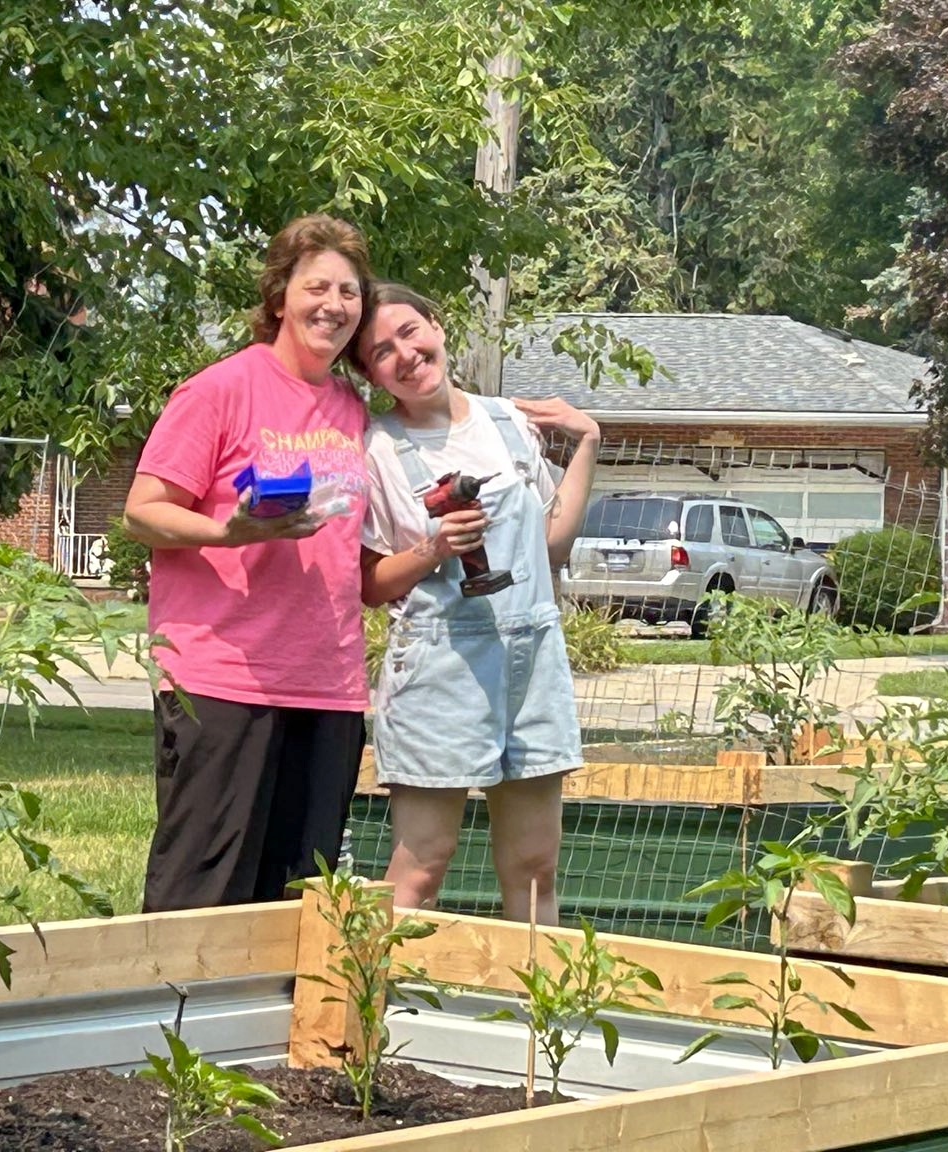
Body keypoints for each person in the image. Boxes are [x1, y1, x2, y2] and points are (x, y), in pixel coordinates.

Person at [123, 215, 373, 911]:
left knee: (297, 904)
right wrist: (226, 532)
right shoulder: (221, 389)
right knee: (200, 899)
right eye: (316, 286)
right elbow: (142, 511)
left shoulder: (352, 408)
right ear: (279, 296)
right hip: (224, 680)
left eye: (349, 291)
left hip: (328, 685)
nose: (334, 304)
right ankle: (172, 991)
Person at [354, 283, 601, 925]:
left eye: (410, 332)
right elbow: (370, 584)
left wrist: (588, 443)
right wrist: (434, 547)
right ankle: (376, 989)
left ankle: (537, 994)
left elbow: (549, 544)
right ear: (371, 375)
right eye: (381, 352)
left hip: (532, 662)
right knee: (423, 866)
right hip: (440, 670)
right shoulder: (377, 449)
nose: (405, 355)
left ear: (437, 326)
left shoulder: (508, 422)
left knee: (534, 869)